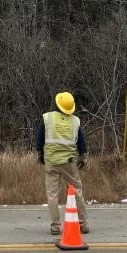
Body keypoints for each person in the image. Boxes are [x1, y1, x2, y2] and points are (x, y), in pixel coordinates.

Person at [36, 91, 88, 235]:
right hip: (69, 163)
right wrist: (83, 157)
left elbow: (39, 139)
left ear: (58, 104)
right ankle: (83, 224)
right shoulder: (75, 121)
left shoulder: (47, 118)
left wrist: (40, 154)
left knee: (52, 194)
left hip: (51, 161)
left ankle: (55, 226)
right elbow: (81, 143)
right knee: (77, 191)